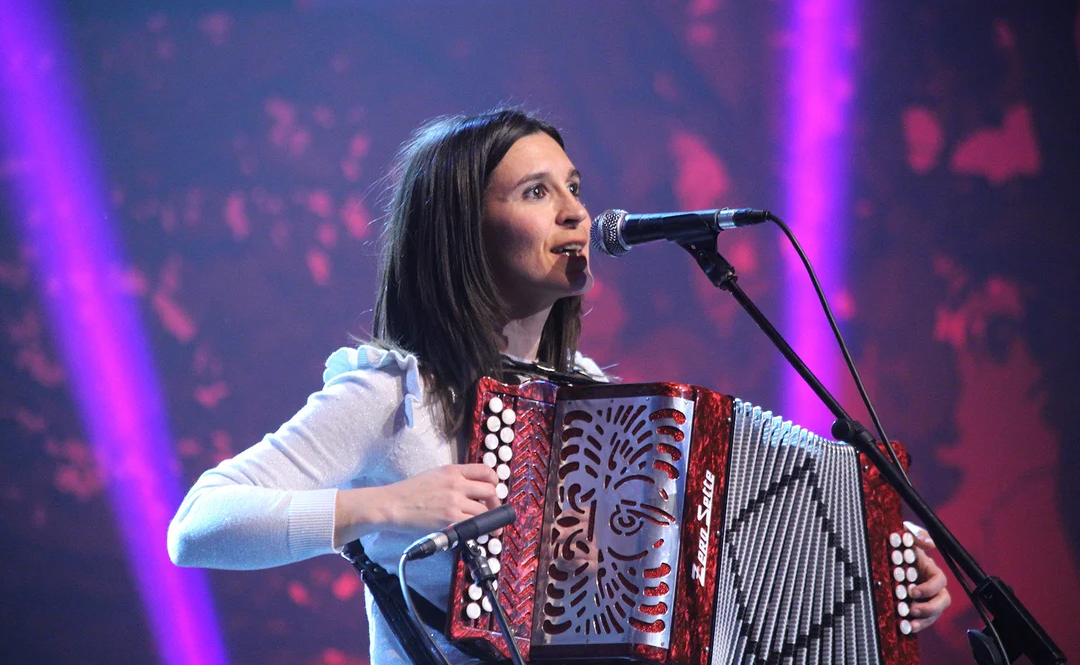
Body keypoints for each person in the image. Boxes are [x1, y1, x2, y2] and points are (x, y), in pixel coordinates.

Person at [168, 108, 950, 664]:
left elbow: (700, 577)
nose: (577, 212)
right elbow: (198, 525)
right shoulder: (393, 392)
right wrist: (387, 507)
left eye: (573, 187)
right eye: (536, 192)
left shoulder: (592, 398)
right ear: (460, 230)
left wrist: (874, 568)